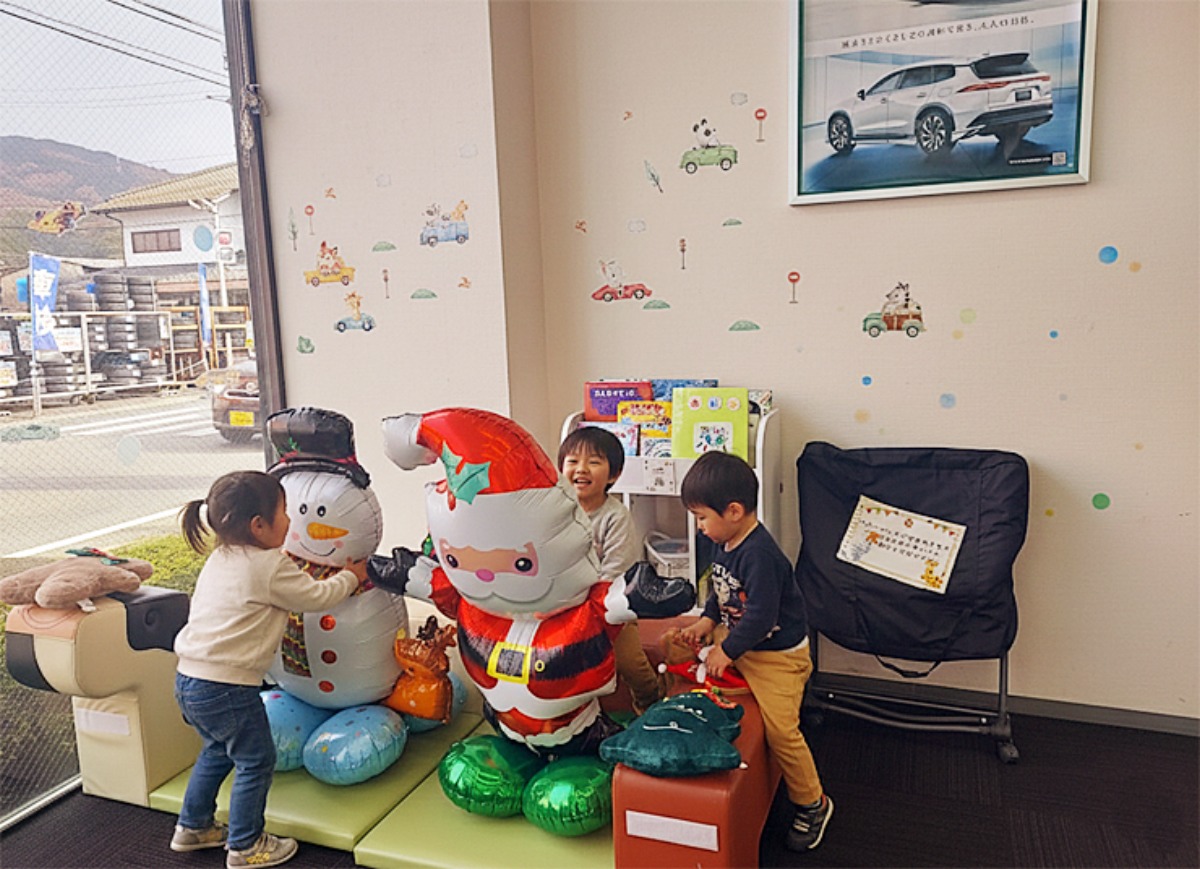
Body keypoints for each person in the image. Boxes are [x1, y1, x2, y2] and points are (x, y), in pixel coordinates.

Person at [171, 470, 368, 869]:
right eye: (284, 512)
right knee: (256, 761)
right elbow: (317, 596)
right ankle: (245, 846)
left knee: (217, 750)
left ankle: (193, 826)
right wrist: (352, 575)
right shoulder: (268, 566)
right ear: (258, 526)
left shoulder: (222, 557)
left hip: (190, 679)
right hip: (227, 687)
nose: (291, 520)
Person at [674, 450, 833, 852]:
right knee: (678, 647)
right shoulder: (723, 540)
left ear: (734, 511)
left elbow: (762, 617)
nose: (699, 527)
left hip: (777, 655)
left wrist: (726, 650)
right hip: (741, 637)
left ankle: (812, 803)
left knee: (783, 733)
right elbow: (721, 589)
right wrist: (706, 622)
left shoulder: (760, 554)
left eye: (701, 517)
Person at [558, 426, 662, 715]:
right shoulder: (556, 512)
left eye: (593, 462)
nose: (581, 469)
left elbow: (617, 569)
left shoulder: (615, 517)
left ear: (613, 475)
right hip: (562, 606)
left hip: (608, 607)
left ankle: (650, 700)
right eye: (573, 461)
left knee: (630, 662)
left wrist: (592, 604)